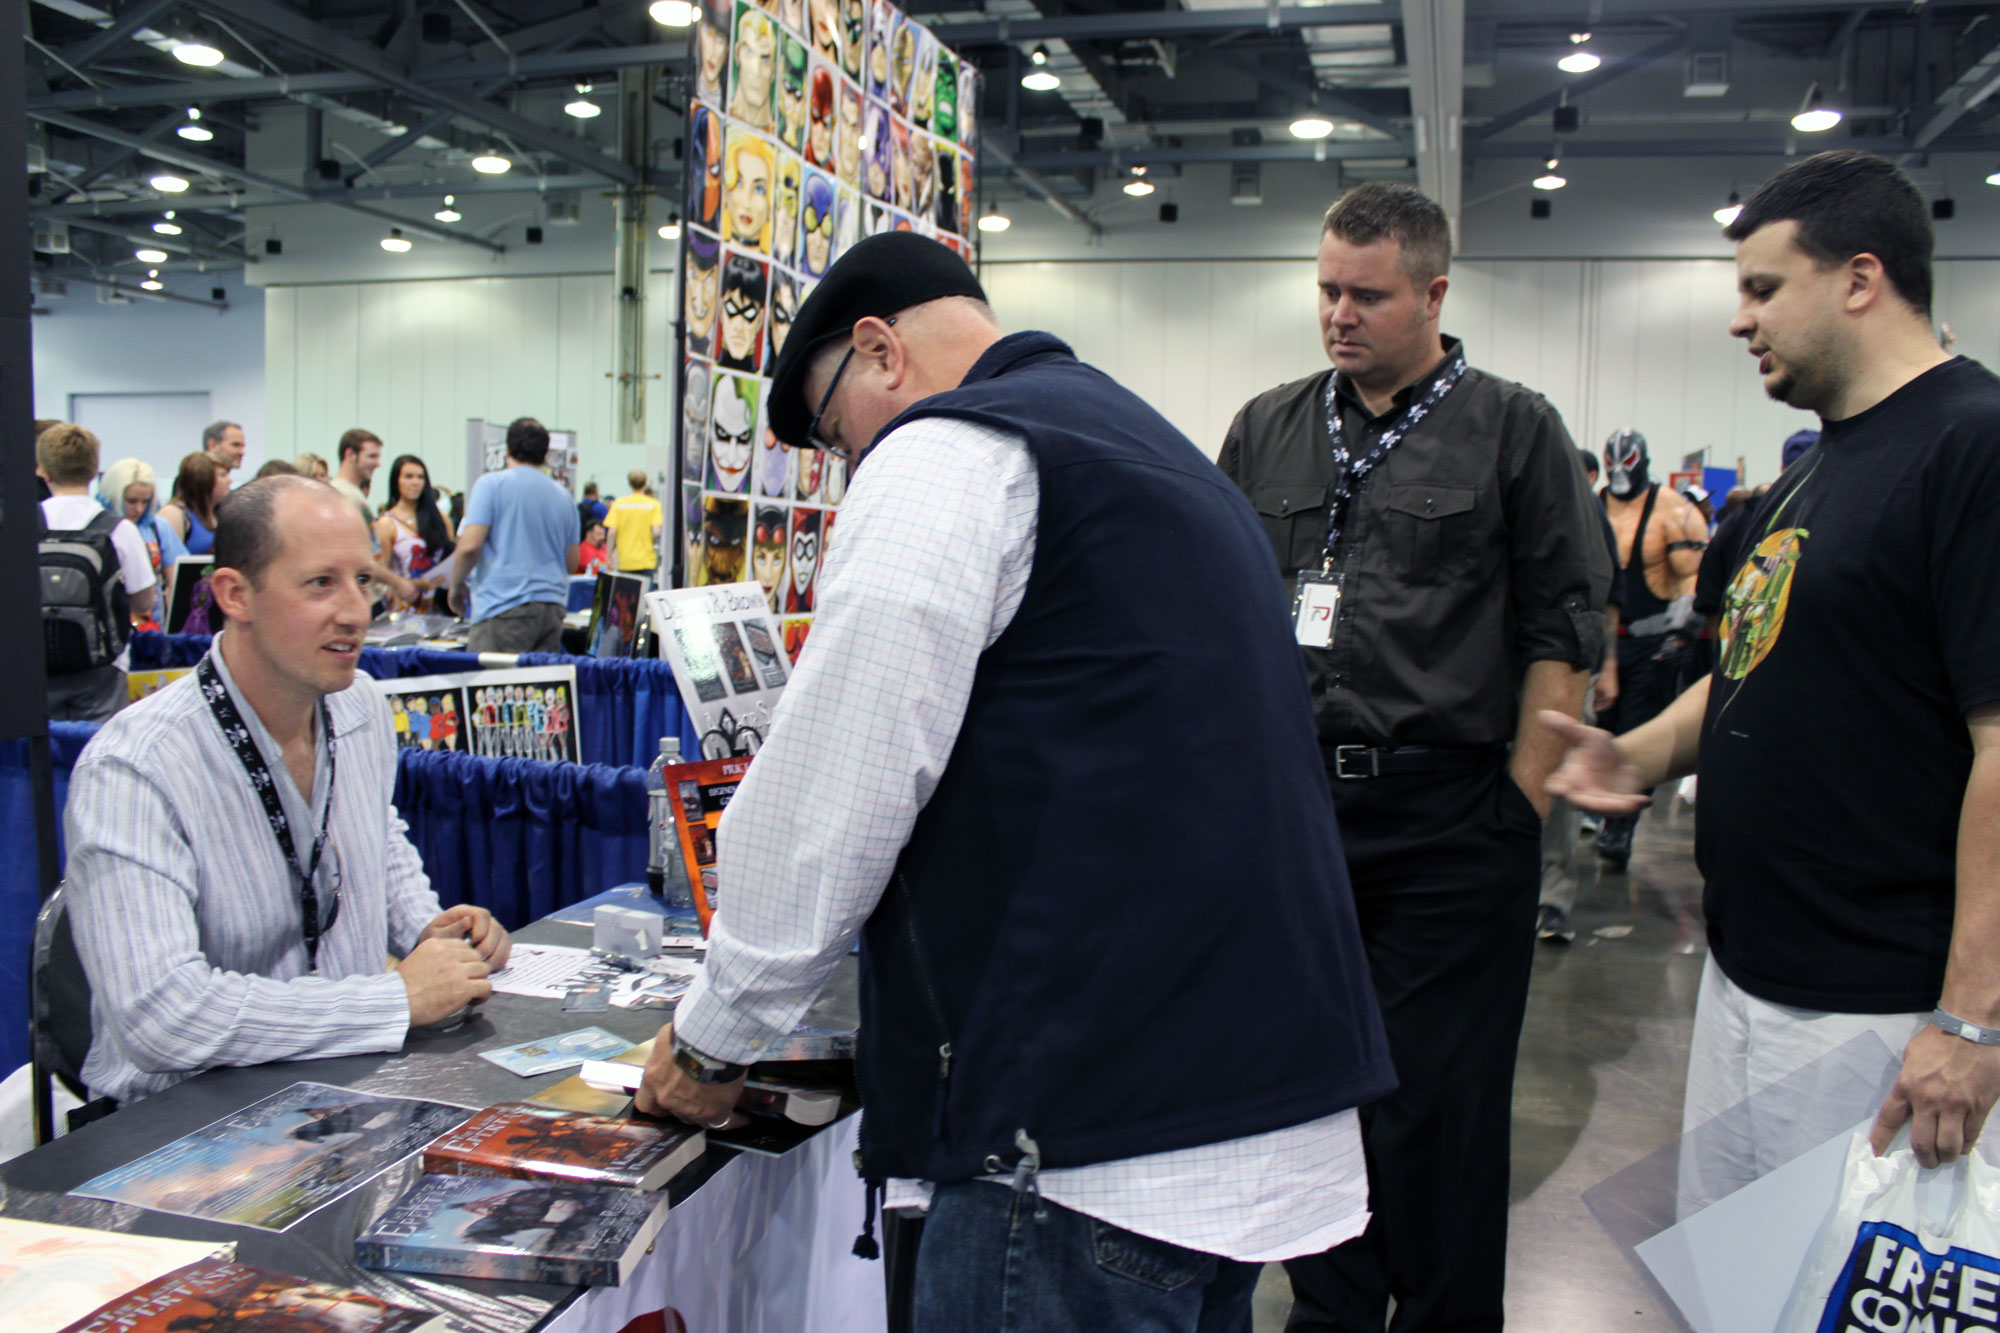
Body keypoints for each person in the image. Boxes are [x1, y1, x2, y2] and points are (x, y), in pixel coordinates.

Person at [636, 233, 1393, 1331]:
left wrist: (714, 1036)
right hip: (1243, 1114)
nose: (852, 463)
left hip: (1082, 1146)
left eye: (839, 432)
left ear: (879, 352)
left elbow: (836, 790)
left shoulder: (948, 451)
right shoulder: (1160, 454)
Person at [1544, 150, 2000, 1196]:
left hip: (1881, 1007)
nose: (1737, 320)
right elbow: (1751, 671)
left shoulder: (1969, 449)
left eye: (1760, 288)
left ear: (1858, 278)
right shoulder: (1809, 480)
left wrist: (1971, 1018)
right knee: (1741, 1293)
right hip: (1748, 972)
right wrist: (1635, 752)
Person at [1216, 182, 1610, 1331]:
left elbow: (1560, 630)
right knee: (1312, 1095)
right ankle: (1328, 1313)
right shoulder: (1269, 424)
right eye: (1326, 290)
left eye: (1367, 295)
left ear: (1432, 293)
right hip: (1299, 824)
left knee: (1437, 1107)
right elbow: (1232, 611)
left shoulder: (1513, 427)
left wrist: (1515, 810)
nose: (1339, 314)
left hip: (1450, 819)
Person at [62, 474, 509, 1106]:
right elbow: (160, 1016)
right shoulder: (136, 768)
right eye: (321, 583)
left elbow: (376, 842)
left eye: (363, 579)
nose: (356, 611)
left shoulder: (360, 709)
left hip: (344, 1090)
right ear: (235, 594)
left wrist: (433, 933)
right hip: (180, 1125)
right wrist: (393, 998)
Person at [1590, 429, 1709, 872]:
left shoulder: (1674, 512)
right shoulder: (1591, 507)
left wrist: (1679, 637)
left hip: (1649, 641)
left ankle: (1620, 826)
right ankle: (1602, 810)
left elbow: (1691, 580)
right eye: (1613, 462)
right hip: (1599, 642)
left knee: (1638, 731)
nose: (1620, 471)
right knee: (1600, 730)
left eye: (1628, 461)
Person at [40, 426, 158, 721]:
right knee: (98, 755)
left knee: (37, 760)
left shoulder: (21, 525)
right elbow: (144, 601)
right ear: (94, 471)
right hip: (103, 670)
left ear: (44, 471)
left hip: (35, 666)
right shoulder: (119, 529)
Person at [448, 418, 579, 653]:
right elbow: (571, 562)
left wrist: (455, 587)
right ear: (546, 452)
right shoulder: (564, 496)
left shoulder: (491, 484)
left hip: (504, 607)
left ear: (507, 448)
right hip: (551, 609)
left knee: (493, 685)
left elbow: (470, 547)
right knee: (538, 686)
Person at [98, 457, 189, 615]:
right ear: (114, 496)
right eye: (131, 501)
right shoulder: (99, 527)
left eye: (145, 501)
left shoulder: (158, 527)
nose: (139, 508)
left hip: (154, 625)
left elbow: (178, 580)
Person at [373, 455, 455, 615]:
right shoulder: (387, 523)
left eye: (420, 477)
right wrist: (414, 584)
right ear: (397, 481)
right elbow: (382, 573)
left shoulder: (440, 519)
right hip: (403, 608)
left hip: (439, 608)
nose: (415, 482)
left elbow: (450, 559)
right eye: (408, 477)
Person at [158, 451, 229, 556]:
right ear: (204, 479)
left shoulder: (219, 513)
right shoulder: (175, 514)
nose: (230, 480)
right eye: (223, 475)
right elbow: (168, 565)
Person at [605, 471, 663, 577]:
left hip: (624, 561)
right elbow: (656, 532)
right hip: (646, 561)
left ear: (629, 484)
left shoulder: (619, 504)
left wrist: (609, 556)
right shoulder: (653, 504)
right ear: (645, 484)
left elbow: (612, 532)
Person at [330, 429, 383, 531]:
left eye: (378, 457)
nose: (377, 464)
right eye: (372, 456)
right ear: (350, 455)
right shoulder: (342, 494)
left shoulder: (352, 492)